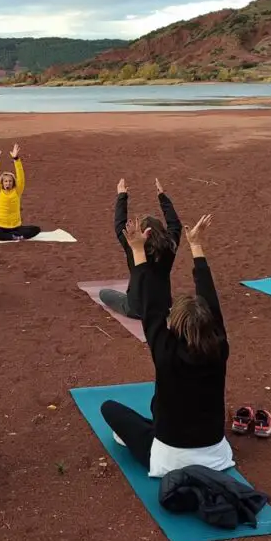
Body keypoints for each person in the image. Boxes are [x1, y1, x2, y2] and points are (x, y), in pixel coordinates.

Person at [100, 214, 234, 477]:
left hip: (168, 460)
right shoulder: (219, 347)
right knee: (155, 406)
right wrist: (196, 246)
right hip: (216, 455)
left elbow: (150, 304)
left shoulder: (166, 353)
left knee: (110, 409)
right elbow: (210, 304)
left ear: (176, 326)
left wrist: (138, 249)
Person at [99, 176, 182, 319]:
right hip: (163, 307)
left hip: (136, 308)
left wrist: (122, 196)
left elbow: (120, 226)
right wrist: (163, 197)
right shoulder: (170, 245)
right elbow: (175, 225)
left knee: (104, 293)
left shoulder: (133, 247)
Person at [0, 142, 41, 242]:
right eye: (5, 181)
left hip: (16, 227)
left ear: (13, 182)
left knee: (36, 229)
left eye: (10, 181)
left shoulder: (17, 191)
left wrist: (16, 159)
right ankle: (13, 237)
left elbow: (21, 177)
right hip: (0, 226)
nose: (8, 183)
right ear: (2, 183)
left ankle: (11, 236)